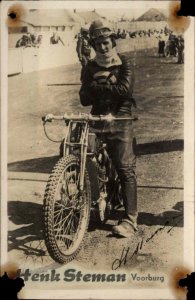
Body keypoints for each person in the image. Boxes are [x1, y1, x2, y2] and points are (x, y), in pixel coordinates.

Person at [79, 19, 137, 238]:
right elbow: (84, 98)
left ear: (113, 42)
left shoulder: (125, 62)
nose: (103, 47)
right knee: (86, 158)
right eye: (98, 44)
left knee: (124, 167)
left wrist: (96, 85)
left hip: (121, 119)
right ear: (93, 46)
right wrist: (103, 85)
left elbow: (124, 91)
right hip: (97, 118)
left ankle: (130, 220)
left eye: (106, 43)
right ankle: (92, 203)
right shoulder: (90, 66)